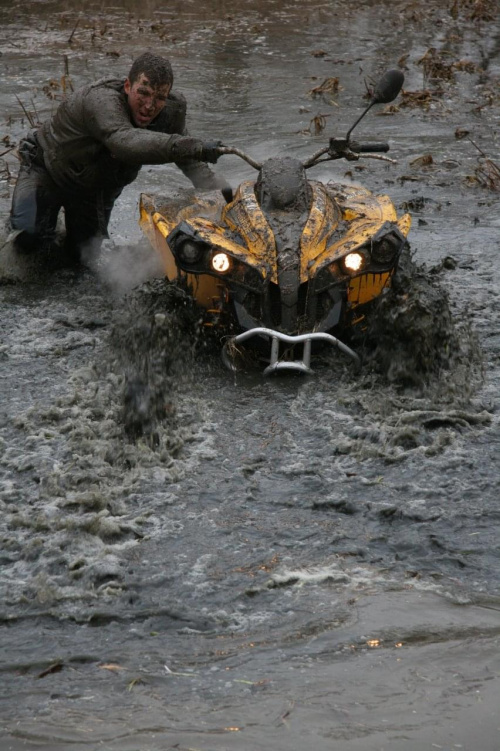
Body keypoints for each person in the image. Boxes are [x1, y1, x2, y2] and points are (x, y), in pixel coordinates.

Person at [9, 51, 230, 263]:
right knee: (27, 241)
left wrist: (226, 196)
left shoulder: (171, 111)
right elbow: (125, 142)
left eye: (159, 97)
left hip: (95, 191)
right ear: (127, 85)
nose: (149, 106)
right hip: (46, 169)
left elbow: (190, 161)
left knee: (84, 261)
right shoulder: (101, 100)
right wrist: (195, 146)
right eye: (143, 93)